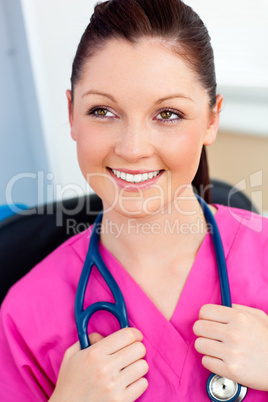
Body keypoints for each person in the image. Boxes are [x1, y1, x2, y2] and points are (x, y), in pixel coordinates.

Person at [1, 0, 268, 400]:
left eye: (168, 114)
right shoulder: (25, 315)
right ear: (72, 113)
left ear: (212, 120)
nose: (132, 148)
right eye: (103, 110)